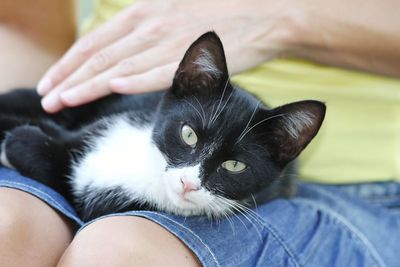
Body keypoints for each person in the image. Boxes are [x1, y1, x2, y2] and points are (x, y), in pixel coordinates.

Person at [1, 0, 399, 266]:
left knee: (117, 253)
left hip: (342, 194)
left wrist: (282, 22)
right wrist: (56, 94)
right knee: (7, 225)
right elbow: (23, 27)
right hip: (118, 108)